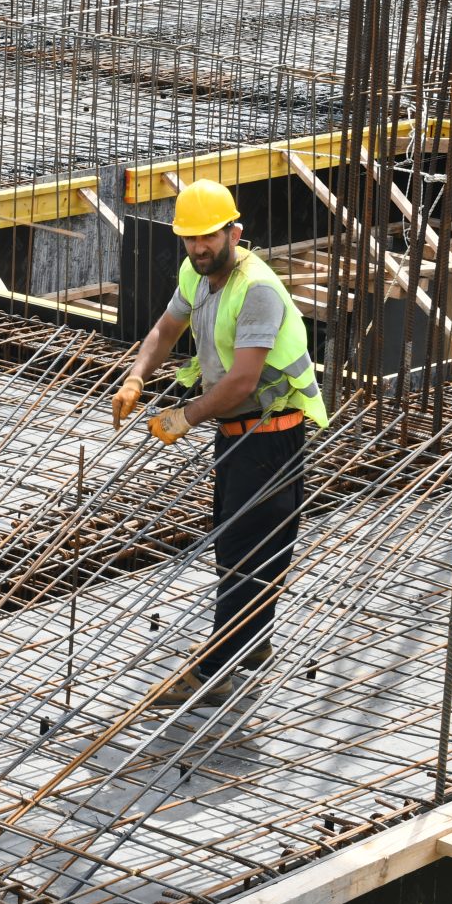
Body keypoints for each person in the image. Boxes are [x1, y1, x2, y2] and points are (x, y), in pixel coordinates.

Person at [109, 178, 329, 710]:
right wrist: (136, 377)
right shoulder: (197, 271)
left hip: (271, 437)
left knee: (245, 551)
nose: (198, 248)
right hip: (236, 435)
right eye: (189, 239)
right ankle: (250, 644)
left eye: (208, 237)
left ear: (234, 231)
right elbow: (165, 329)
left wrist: (185, 415)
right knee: (244, 546)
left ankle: (215, 672)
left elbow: (242, 382)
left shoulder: (256, 289)